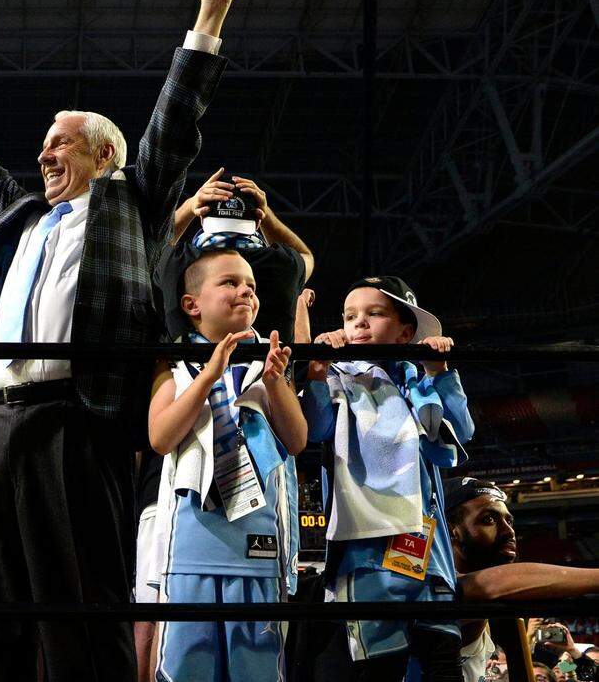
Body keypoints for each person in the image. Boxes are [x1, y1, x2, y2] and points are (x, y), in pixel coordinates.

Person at [0, 0, 239, 680]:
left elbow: (175, 122)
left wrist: (209, 16)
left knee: (79, 600)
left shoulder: (131, 201)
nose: (44, 153)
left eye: (60, 142)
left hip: (77, 418)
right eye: (44, 144)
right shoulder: (26, 217)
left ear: (104, 154)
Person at [303, 276, 475, 681]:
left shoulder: (421, 382)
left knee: (442, 655)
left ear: (406, 330)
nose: (358, 323)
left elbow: (461, 432)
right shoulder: (337, 378)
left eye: (374, 313)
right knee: (381, 665)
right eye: (349, 316)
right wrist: (315, 372)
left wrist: (439, 371)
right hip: (366, 550)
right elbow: (314, 429)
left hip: (426, 545)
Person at [148, 248, 306, 682]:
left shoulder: (270, 360)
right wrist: (208, 375)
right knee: (187, 667)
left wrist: (275, 383)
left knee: (256, 667)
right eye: (230, 283)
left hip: (258, 541)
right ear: (191, 304)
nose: (245, 292)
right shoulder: (174, 361)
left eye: (251, 286)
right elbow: (160, 437)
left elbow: (296, 440)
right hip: (192, 545)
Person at [444, 476, 599, 682]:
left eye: (509, 521)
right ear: (451, 529)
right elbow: (488, 585)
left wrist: (572, 652)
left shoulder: (496, 615)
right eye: (489, 519)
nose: (509, 532)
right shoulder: (431, 588)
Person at [156, 170, 314, 343]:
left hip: (182, 368)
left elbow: (151, 249)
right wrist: (267, 214)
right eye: (230, 282)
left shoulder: (176, 262)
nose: (246, 291)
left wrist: (190, 205)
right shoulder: (283, 264)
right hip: (272, 367)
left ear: (202, 217)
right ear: (257, 221)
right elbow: (305, 256)